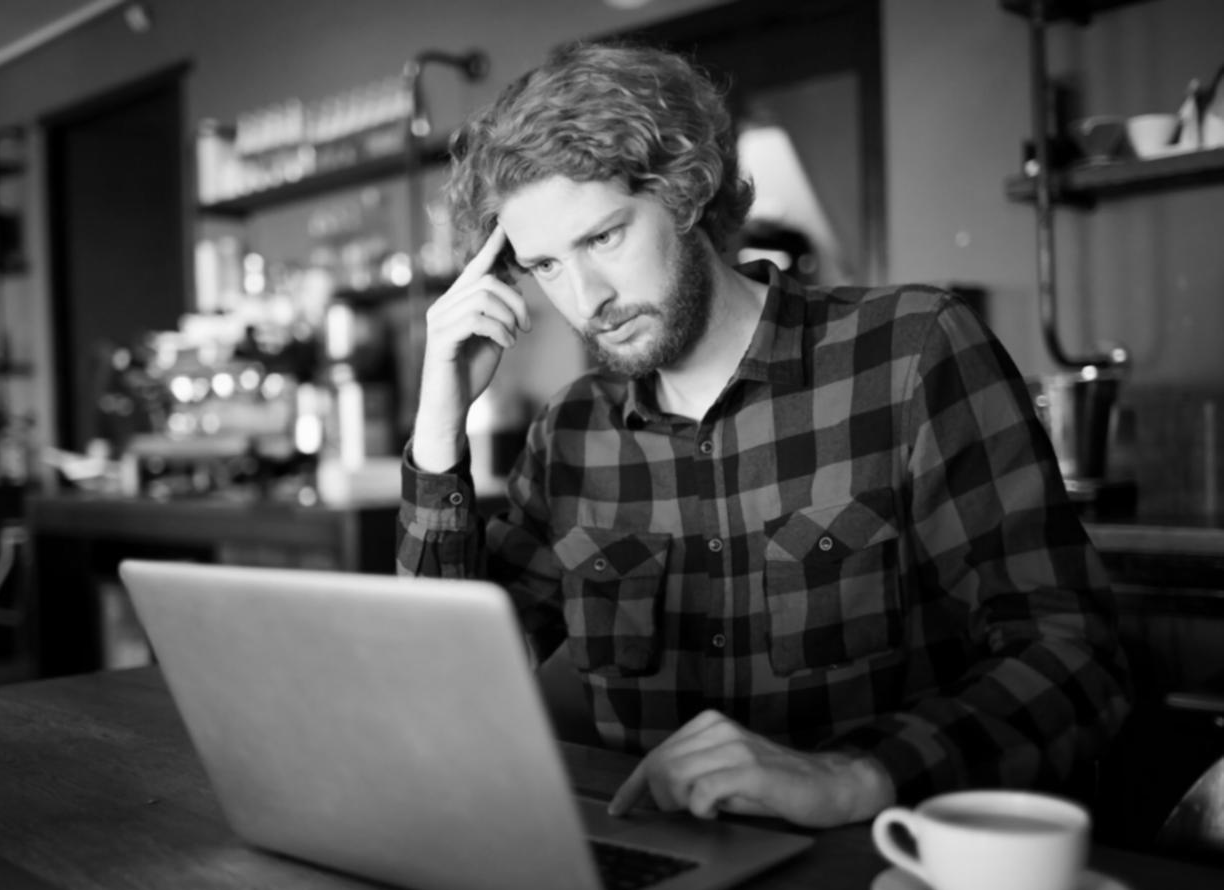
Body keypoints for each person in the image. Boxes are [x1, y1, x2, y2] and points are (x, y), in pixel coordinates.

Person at [396, 41, 1130, 829]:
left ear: (686, 191)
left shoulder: (912, 353)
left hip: (875, 877)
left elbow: (1077, 660)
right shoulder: (570, 433)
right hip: (655, 883)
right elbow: (441, 691)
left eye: (603, 238)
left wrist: (856, 775)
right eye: (543, 265)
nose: (586, 298)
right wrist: (440, 426)